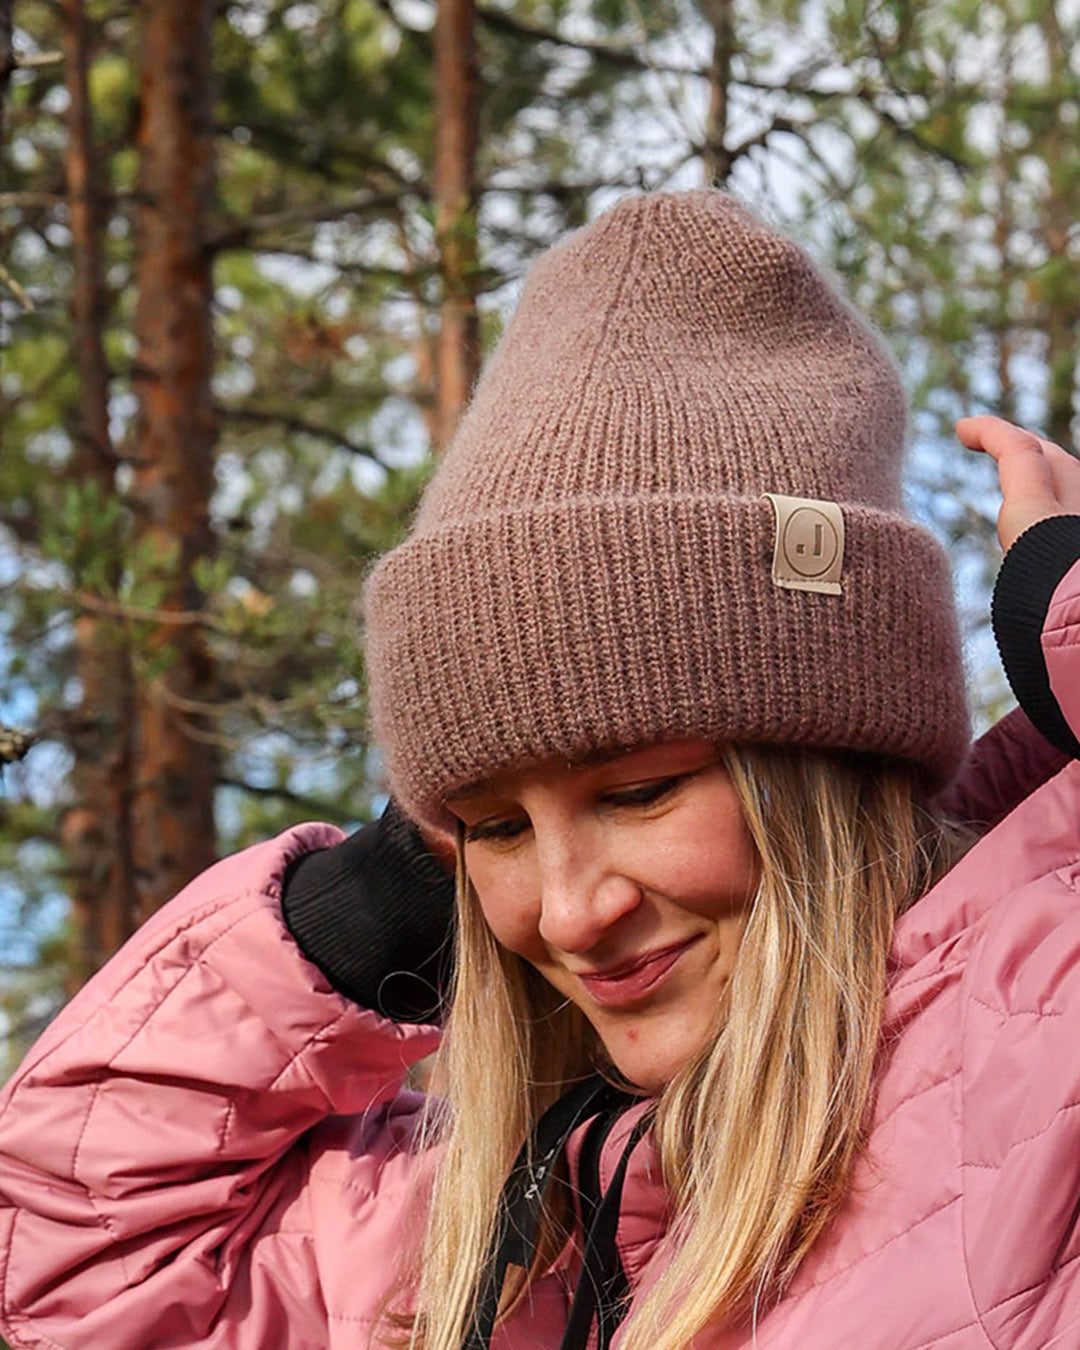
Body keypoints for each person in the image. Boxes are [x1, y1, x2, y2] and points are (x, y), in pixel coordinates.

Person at [0, 191, 1079, 1350]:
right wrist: (363, 913)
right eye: (495, 826)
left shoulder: (1041, 1046)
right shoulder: (522, 1232)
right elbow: (74, 1281)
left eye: (637, 791)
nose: (569, 912)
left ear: (830, 762)